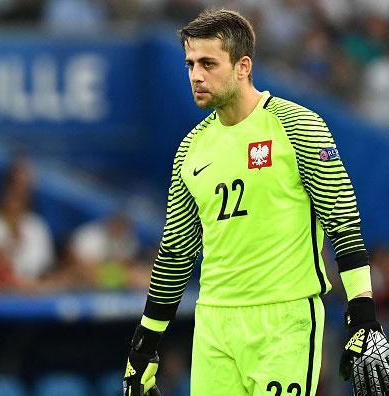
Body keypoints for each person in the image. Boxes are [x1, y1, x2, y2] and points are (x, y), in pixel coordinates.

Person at [122, 9, 389, 396]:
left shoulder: (297, 125)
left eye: (208, 63)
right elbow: (176, 254)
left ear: (242, 66)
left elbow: (342, 218)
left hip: (285, 322)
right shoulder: (189, 150)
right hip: (214, 323)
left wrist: (362, 313)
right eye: (190, 64)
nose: (196, 75)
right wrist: (144, 343)